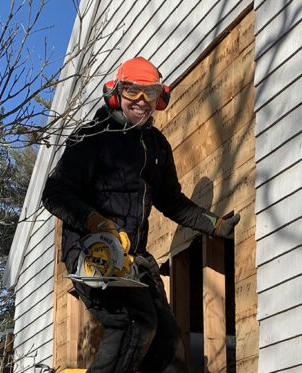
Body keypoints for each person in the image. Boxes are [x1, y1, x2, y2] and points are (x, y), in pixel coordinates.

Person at [42, 56, 240, 373]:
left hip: (133, 259)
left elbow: (172, 202)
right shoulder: (91, 137)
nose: (141, 101)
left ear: (159, 98)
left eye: (149, 93)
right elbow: (53, 193)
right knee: (132, 321)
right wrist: (96, 222)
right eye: (132, 91)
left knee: (165, 342)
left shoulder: (157, 146)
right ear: (116, 93)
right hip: (93, 253)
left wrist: (214, 225)